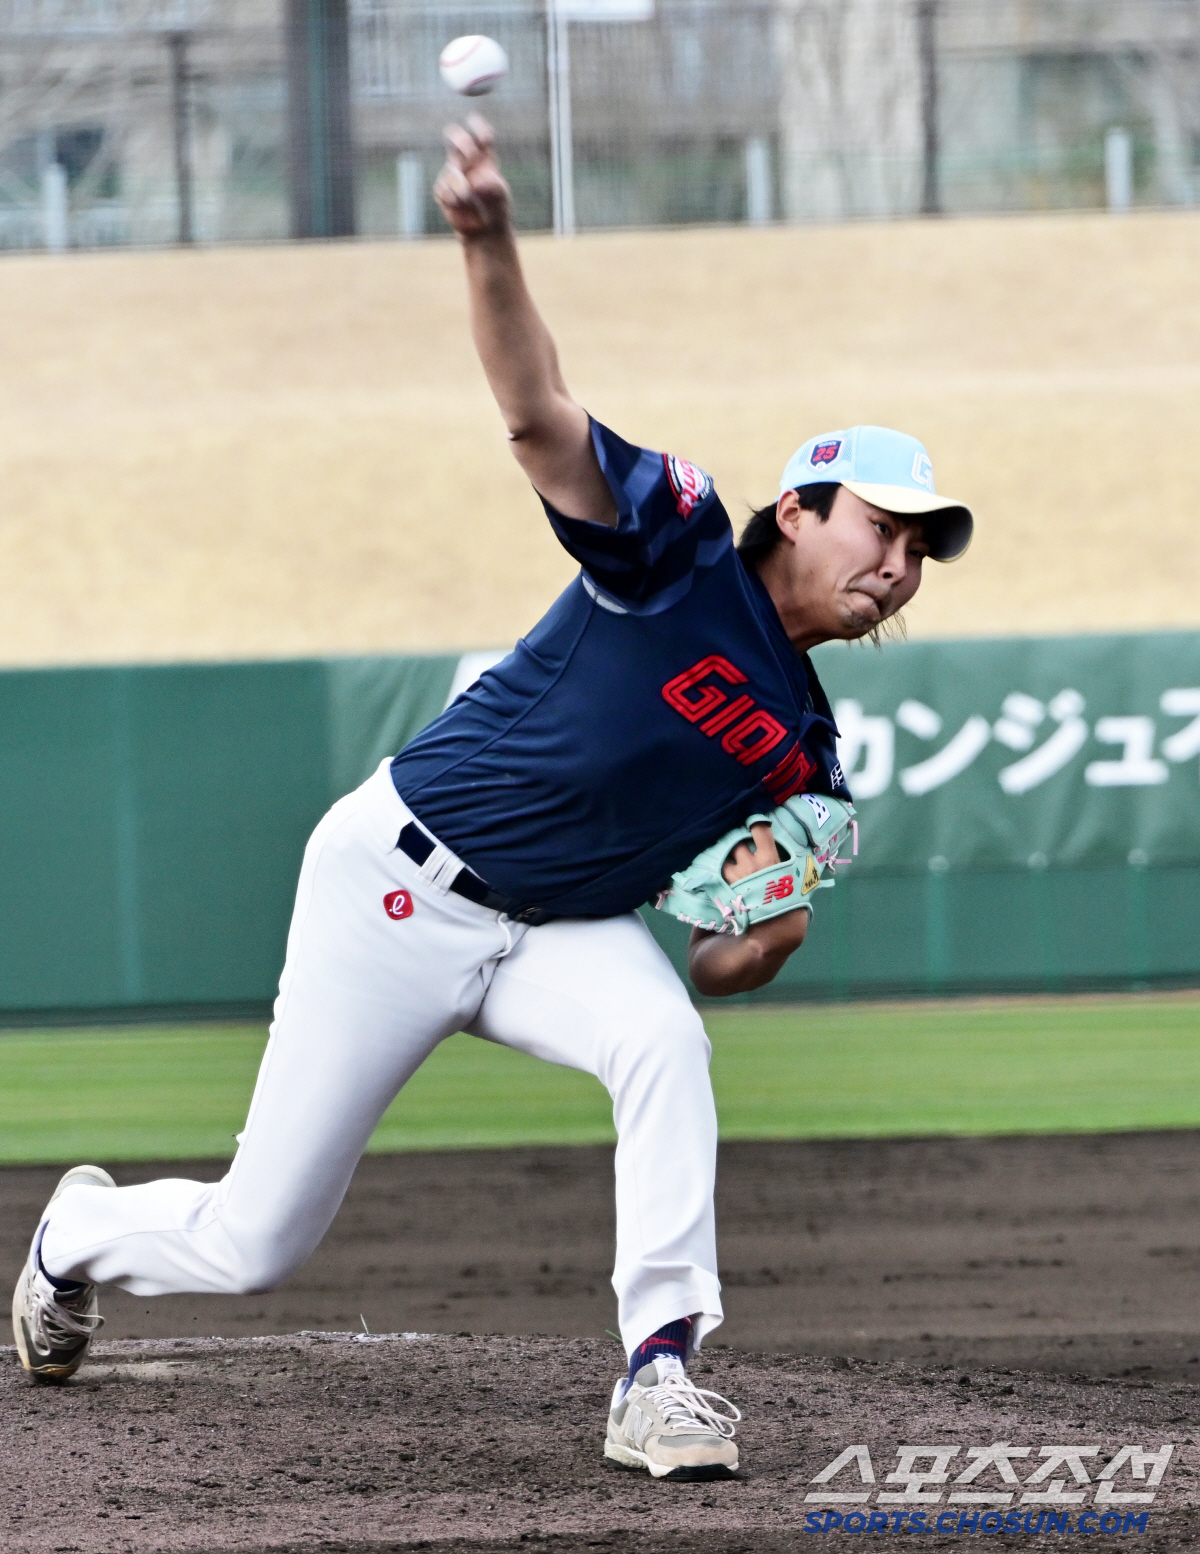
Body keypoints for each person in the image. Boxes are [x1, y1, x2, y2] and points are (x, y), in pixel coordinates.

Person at [12, 118, 972, 1482]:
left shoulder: (805, 757)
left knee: (664, 1042)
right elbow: (538, 418)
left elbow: (715, 958)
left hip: (556, 930)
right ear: (800, 508)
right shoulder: (679, 550)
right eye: (884, 525)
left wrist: (767, 934)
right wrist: (486, 242)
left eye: (924, 548)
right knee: (254, 1238)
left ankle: (661, 1373)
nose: (901, 563)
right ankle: (75, 1237)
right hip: (399, 883)